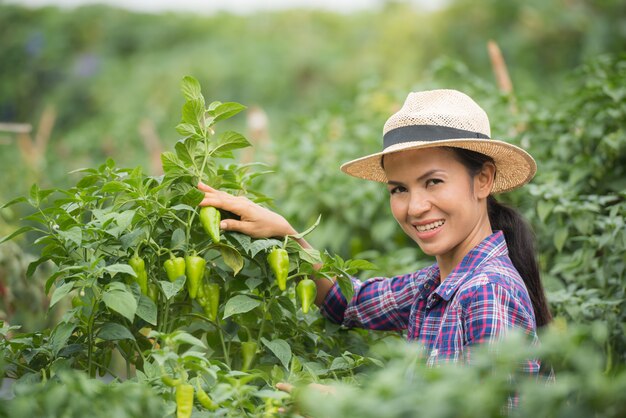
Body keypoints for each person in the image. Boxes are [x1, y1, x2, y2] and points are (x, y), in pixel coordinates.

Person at [198, 89, 552, 373]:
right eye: (399, 189)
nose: (415, 207)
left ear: (484, 179)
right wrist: (285, 236)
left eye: (433, 182)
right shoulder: (435, 285)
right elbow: (347, 302)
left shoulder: (486, 292)